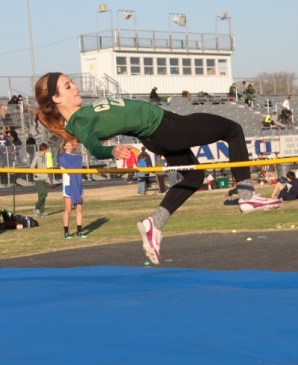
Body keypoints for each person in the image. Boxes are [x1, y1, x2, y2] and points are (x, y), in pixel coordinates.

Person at [34, 72, 281, 264]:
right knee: (233, 130)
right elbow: (94, 148)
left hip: (160, 130)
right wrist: (111, 151)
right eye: (68, 86)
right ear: (56, 99)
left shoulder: (82, 113)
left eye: (72, 82)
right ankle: (247, 195)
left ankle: (155, 223)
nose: (75, 87)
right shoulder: (79, 121)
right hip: (166, 128)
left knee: (194, 177)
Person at [58, 139, 86, 239]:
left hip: (78, 184)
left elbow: (78, 166)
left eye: (71, 145)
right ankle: (66, 232)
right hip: (68, 185)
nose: (69, 146)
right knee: (68, 209)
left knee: (79, 209)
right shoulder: (62, 157)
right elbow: (69, 166)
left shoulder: (77, 157)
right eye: (67, 145)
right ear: (64, 146)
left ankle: (79, 231)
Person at [31, 142, 50, 218]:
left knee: (41, 196)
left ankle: (42, 211)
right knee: (44, 193)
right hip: (38, 179)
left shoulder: (46, 157)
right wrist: (37, 174)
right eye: (46, 149)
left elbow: (47, 167)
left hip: (44, 178)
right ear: (44, 149)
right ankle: (36, 207)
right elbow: (32, 167)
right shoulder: (37, 156)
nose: (47, 151)